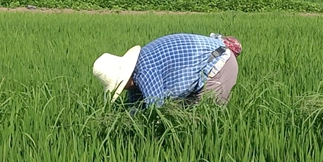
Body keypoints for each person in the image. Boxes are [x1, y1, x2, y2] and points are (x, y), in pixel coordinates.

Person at [93, 33, 241, 107]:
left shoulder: (145, 71)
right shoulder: (136, 74)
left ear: (124, 78)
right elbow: (136, 104)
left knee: (202, 120)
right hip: (208, 62)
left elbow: (156, 108)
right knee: (186, 114)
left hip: (218, 63)